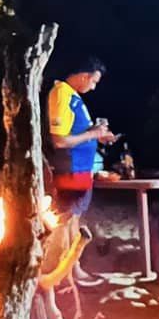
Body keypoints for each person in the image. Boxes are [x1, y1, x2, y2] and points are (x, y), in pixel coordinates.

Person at [46, 52, 116, 219]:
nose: (93, 87)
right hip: (70, 178)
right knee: (64, 228)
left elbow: (76, 133)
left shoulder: (73, 96)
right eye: (94, 82)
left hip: (80, 177)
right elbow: (59, 141)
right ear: (84, 76)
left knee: (73, 226)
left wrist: (96, 134)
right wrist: (92, 133)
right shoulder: (61, 93)